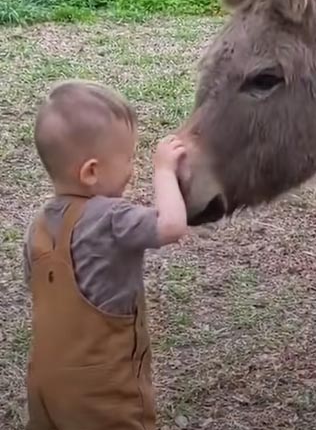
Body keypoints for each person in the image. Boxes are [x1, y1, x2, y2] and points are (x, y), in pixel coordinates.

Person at [22, 80, 189, 430]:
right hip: (103, 392)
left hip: (45, 388)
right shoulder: (111, 218)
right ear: (91, 172)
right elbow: (172, 226)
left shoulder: (37, 228)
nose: (132, 169)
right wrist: (164, 170)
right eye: (128, 159)